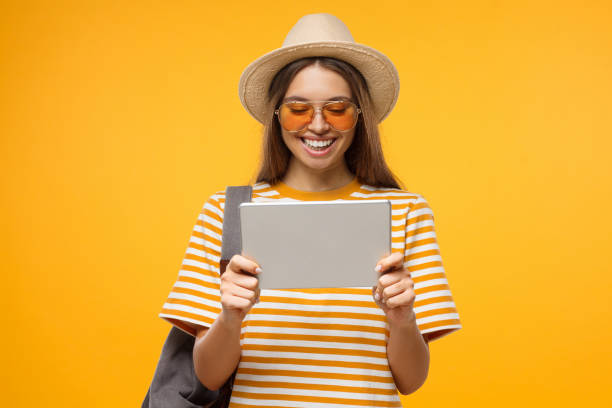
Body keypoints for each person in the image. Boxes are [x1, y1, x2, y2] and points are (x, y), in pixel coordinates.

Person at [159, 13, 461, 407]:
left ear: (359, 117)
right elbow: (209, 375)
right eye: (298, 109)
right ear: (276, 116)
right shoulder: (227, 212)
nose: (318, 125)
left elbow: (411, 380)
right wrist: (231, 318)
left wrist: (403, 320)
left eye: (337, 108)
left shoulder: (404, 213)